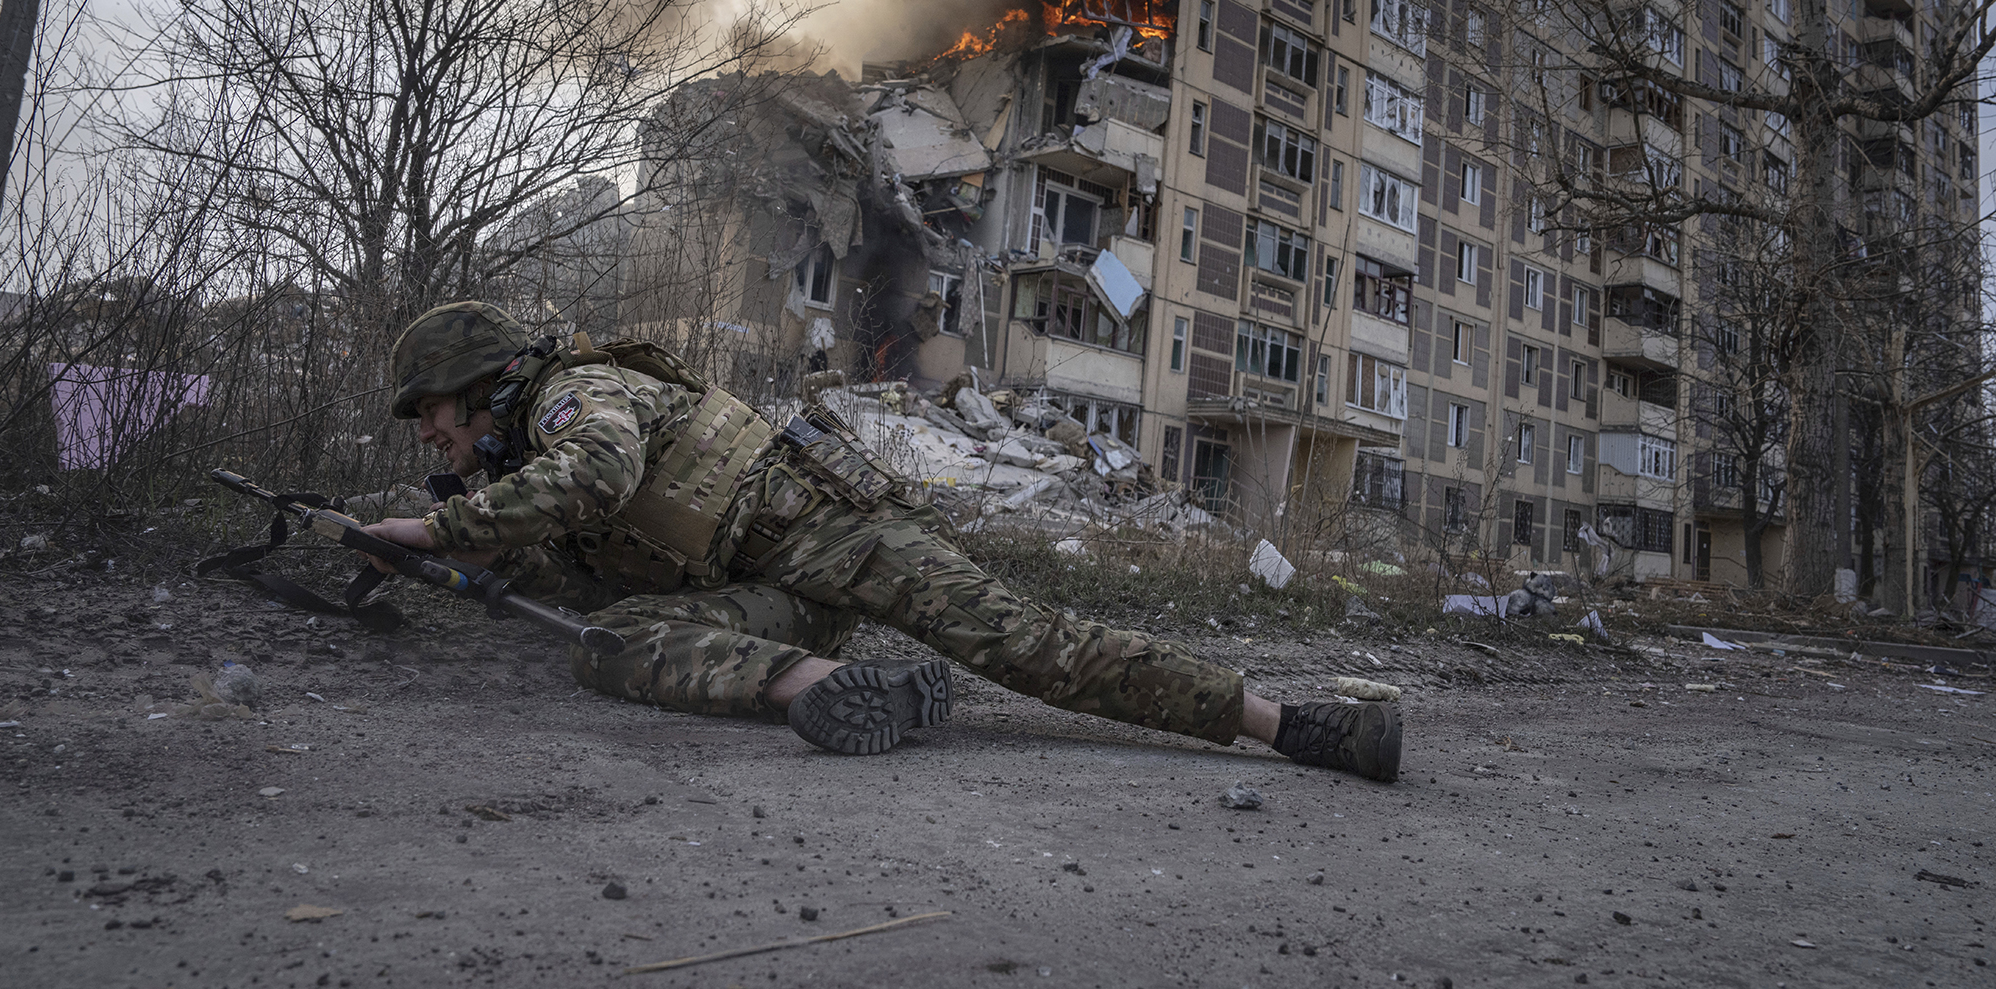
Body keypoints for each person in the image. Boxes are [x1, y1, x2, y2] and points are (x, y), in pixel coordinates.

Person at [360, 302, 1403, 780]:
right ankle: (824, 687)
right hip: (775, 597)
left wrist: (436, 521)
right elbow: (585, 564)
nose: (432, 433)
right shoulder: (516, 453)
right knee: (607, 640)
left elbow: (599, 470)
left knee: (1033, 648)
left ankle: (1294, 726)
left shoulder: (569, 397)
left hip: (841, 538)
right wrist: (457, 547)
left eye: (434, 411)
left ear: (485, 382)